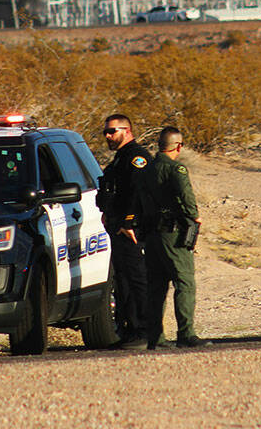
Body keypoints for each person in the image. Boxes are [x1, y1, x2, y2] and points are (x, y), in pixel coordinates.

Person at [137, 126, 210, 349]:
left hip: (151, 235)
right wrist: (194, 216)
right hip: (173, 233)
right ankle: (186, 334)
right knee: (184, 282)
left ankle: (155, 338)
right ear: (178, 146)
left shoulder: (145, 169)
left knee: (156, 287)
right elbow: (186, 196)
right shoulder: (175, 169)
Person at [97, 113, 151, 349]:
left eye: (113, 131)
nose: (108, 136)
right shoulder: (121, 158)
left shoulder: (136, 158)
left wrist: (129, 222)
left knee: (136, 279)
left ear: (127, 131)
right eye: (106, 132)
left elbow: (139, 192)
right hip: (117, 227)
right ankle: (129, 330)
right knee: (123, 280)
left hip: (130, 229)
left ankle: (145, 330)